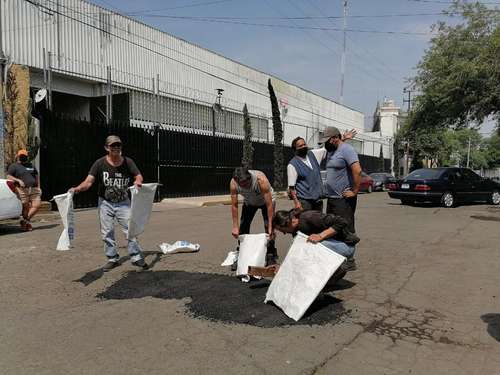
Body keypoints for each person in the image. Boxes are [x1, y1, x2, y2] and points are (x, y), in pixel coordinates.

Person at [70, 135, 147, 271]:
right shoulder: (99, 164)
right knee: (107, 232)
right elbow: (89, 182)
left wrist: (138, 181)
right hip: (105, 203)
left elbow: (138, 175)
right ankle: (112, 258)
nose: (116, 148)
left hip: (124, 202)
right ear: (107, 148)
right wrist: (77, 189)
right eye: (113, 146)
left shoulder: (128, 162)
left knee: (130, 230)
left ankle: (136, 257)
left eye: (118, 145)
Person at [230, 164, 278, 267]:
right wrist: (235, 226)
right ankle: (241, 253)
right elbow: (234, 205)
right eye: (241, 184)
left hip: (266, 202)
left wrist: (270, 226)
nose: (244, 186)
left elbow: (269, 205)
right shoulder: (234, 183)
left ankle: (271, 254)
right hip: (250, 202)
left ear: (249, 178)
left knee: (268, 228)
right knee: (243, 227)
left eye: (246, 184)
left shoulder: (261, 180)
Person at [319, 126, 362, 234]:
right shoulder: (331, 150)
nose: (325, 144)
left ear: (334, 138)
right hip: (331, 199)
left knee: (345, 231)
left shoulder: (347, 149)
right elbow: (337, 143)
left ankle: (348, 250)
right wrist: (344, 138)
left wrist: (355, 191)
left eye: (327, 141)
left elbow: (357, 171)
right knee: (331, 230)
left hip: (343, 200)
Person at [272, 208, 359, 260]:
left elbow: (342, 221)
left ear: (288, 223)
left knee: (311, 246)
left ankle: (341, 268)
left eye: (282, 230)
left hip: (346, 246)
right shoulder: (296, 230)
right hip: (332, 244)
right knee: (298, 246)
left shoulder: (309, 217)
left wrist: (320, 236)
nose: (284, 233)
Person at [7, 149, 42, 231]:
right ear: (18, 156)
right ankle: (26, 224)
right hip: (21, 189)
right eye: (21, 156)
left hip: (34, 188)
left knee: (37, 205)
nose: (23, 157)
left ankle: (25, 221)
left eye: (24, 156)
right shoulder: (14, 166)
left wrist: (39, 187)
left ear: (26, 157)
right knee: (26, 207)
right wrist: (18, 180)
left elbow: (37, 176)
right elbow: (8, 176)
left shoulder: (31, 165)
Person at [287, 137, 324, 212]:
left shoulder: (313, 154)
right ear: (295, 149)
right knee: (306, 222)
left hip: (318, 200)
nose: (303, 146)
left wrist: (342, 139)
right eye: (300, 146)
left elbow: (326, 149)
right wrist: (296, 203)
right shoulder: (292, 165)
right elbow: (292, 188)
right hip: (305, 202)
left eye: (304, 144)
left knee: (318, 223)